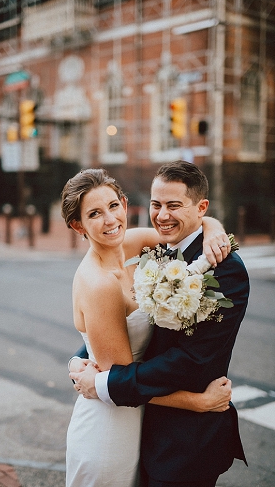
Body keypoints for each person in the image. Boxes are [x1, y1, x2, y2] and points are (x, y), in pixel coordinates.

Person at [70, 161, 249, 486]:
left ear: (124, 205)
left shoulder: (221, 270)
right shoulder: (114, 272)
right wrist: (83, 359)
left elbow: (190, 360)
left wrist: (212, 228)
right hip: (123, 420)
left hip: (182, 442)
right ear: (78, 225)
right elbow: (111, 339)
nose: (163, 215)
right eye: (157, 205)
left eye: (112, 206)